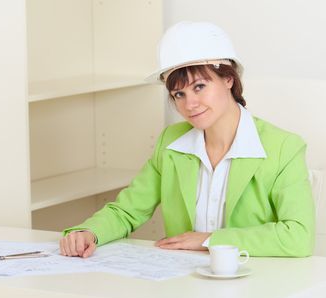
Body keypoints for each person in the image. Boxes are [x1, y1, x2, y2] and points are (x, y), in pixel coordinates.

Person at [60, 21, 315, 258]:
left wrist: (209, 240)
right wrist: (89, 232)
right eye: (179, 94)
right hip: (184, 282)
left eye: (200, 87)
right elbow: (128, 210)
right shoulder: (171, 143)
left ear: (228, 79)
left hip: (254, 285)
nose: (189, 104)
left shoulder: (283, 148)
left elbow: (298, 236)